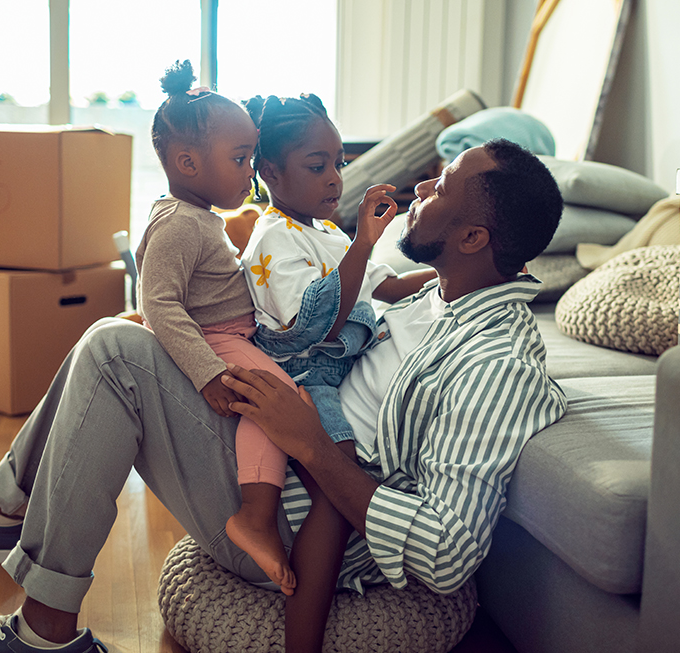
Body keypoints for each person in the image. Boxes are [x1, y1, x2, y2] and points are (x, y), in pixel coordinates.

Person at [0, 137, 568, 653]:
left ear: (474, 237)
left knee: (114, 352)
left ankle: (40, 621)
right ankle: (7, 509)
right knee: (124, 334)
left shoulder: (497, 360)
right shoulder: (438, 294)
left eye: (443, 184)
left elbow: (448, 554)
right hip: (285, 447)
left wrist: (306, 439)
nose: (424, 183)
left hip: (298, 519)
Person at [237, 93, 438, 651]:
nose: (334, 178)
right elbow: (314, 324)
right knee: (337, 482)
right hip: (305, 377)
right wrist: (366, 242)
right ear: (272, 173)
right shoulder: (272, 236)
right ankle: (304, 635)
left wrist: (448, 276)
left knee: (349, 473)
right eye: (316, 165)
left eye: (339, 164)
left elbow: (383, 286)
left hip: (339, 372)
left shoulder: (327, 233)